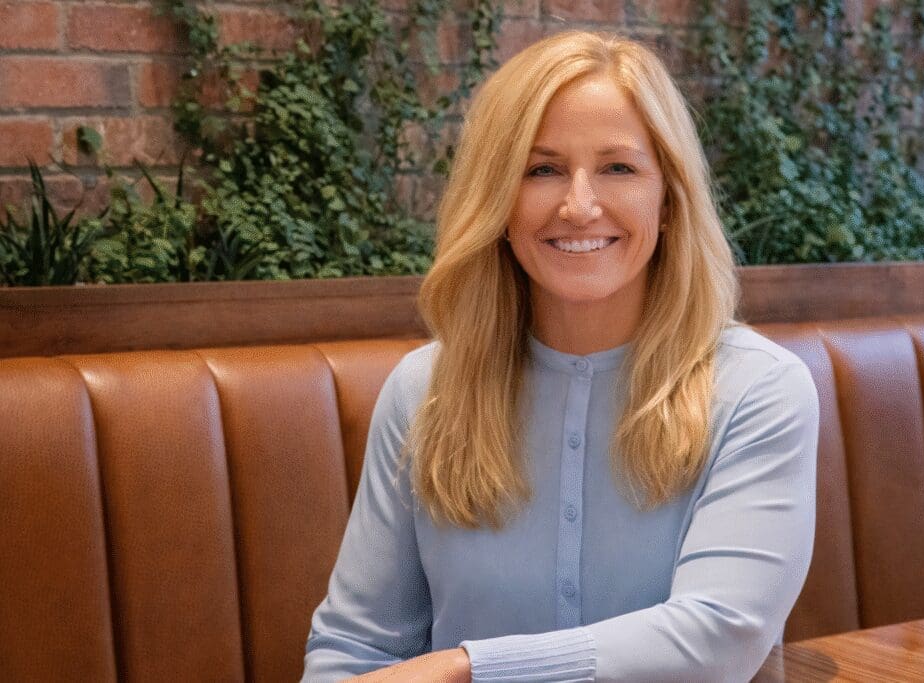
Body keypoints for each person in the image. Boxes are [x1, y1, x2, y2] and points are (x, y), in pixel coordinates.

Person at [302, 29, 820, 682]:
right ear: (498, 203)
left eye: (618, 167)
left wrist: (468, 668)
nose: (579, 205)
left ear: (668, 202)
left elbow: (718, 638)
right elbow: (353, 651)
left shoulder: (759, 390)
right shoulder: (423, 389)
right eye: (541, 169)